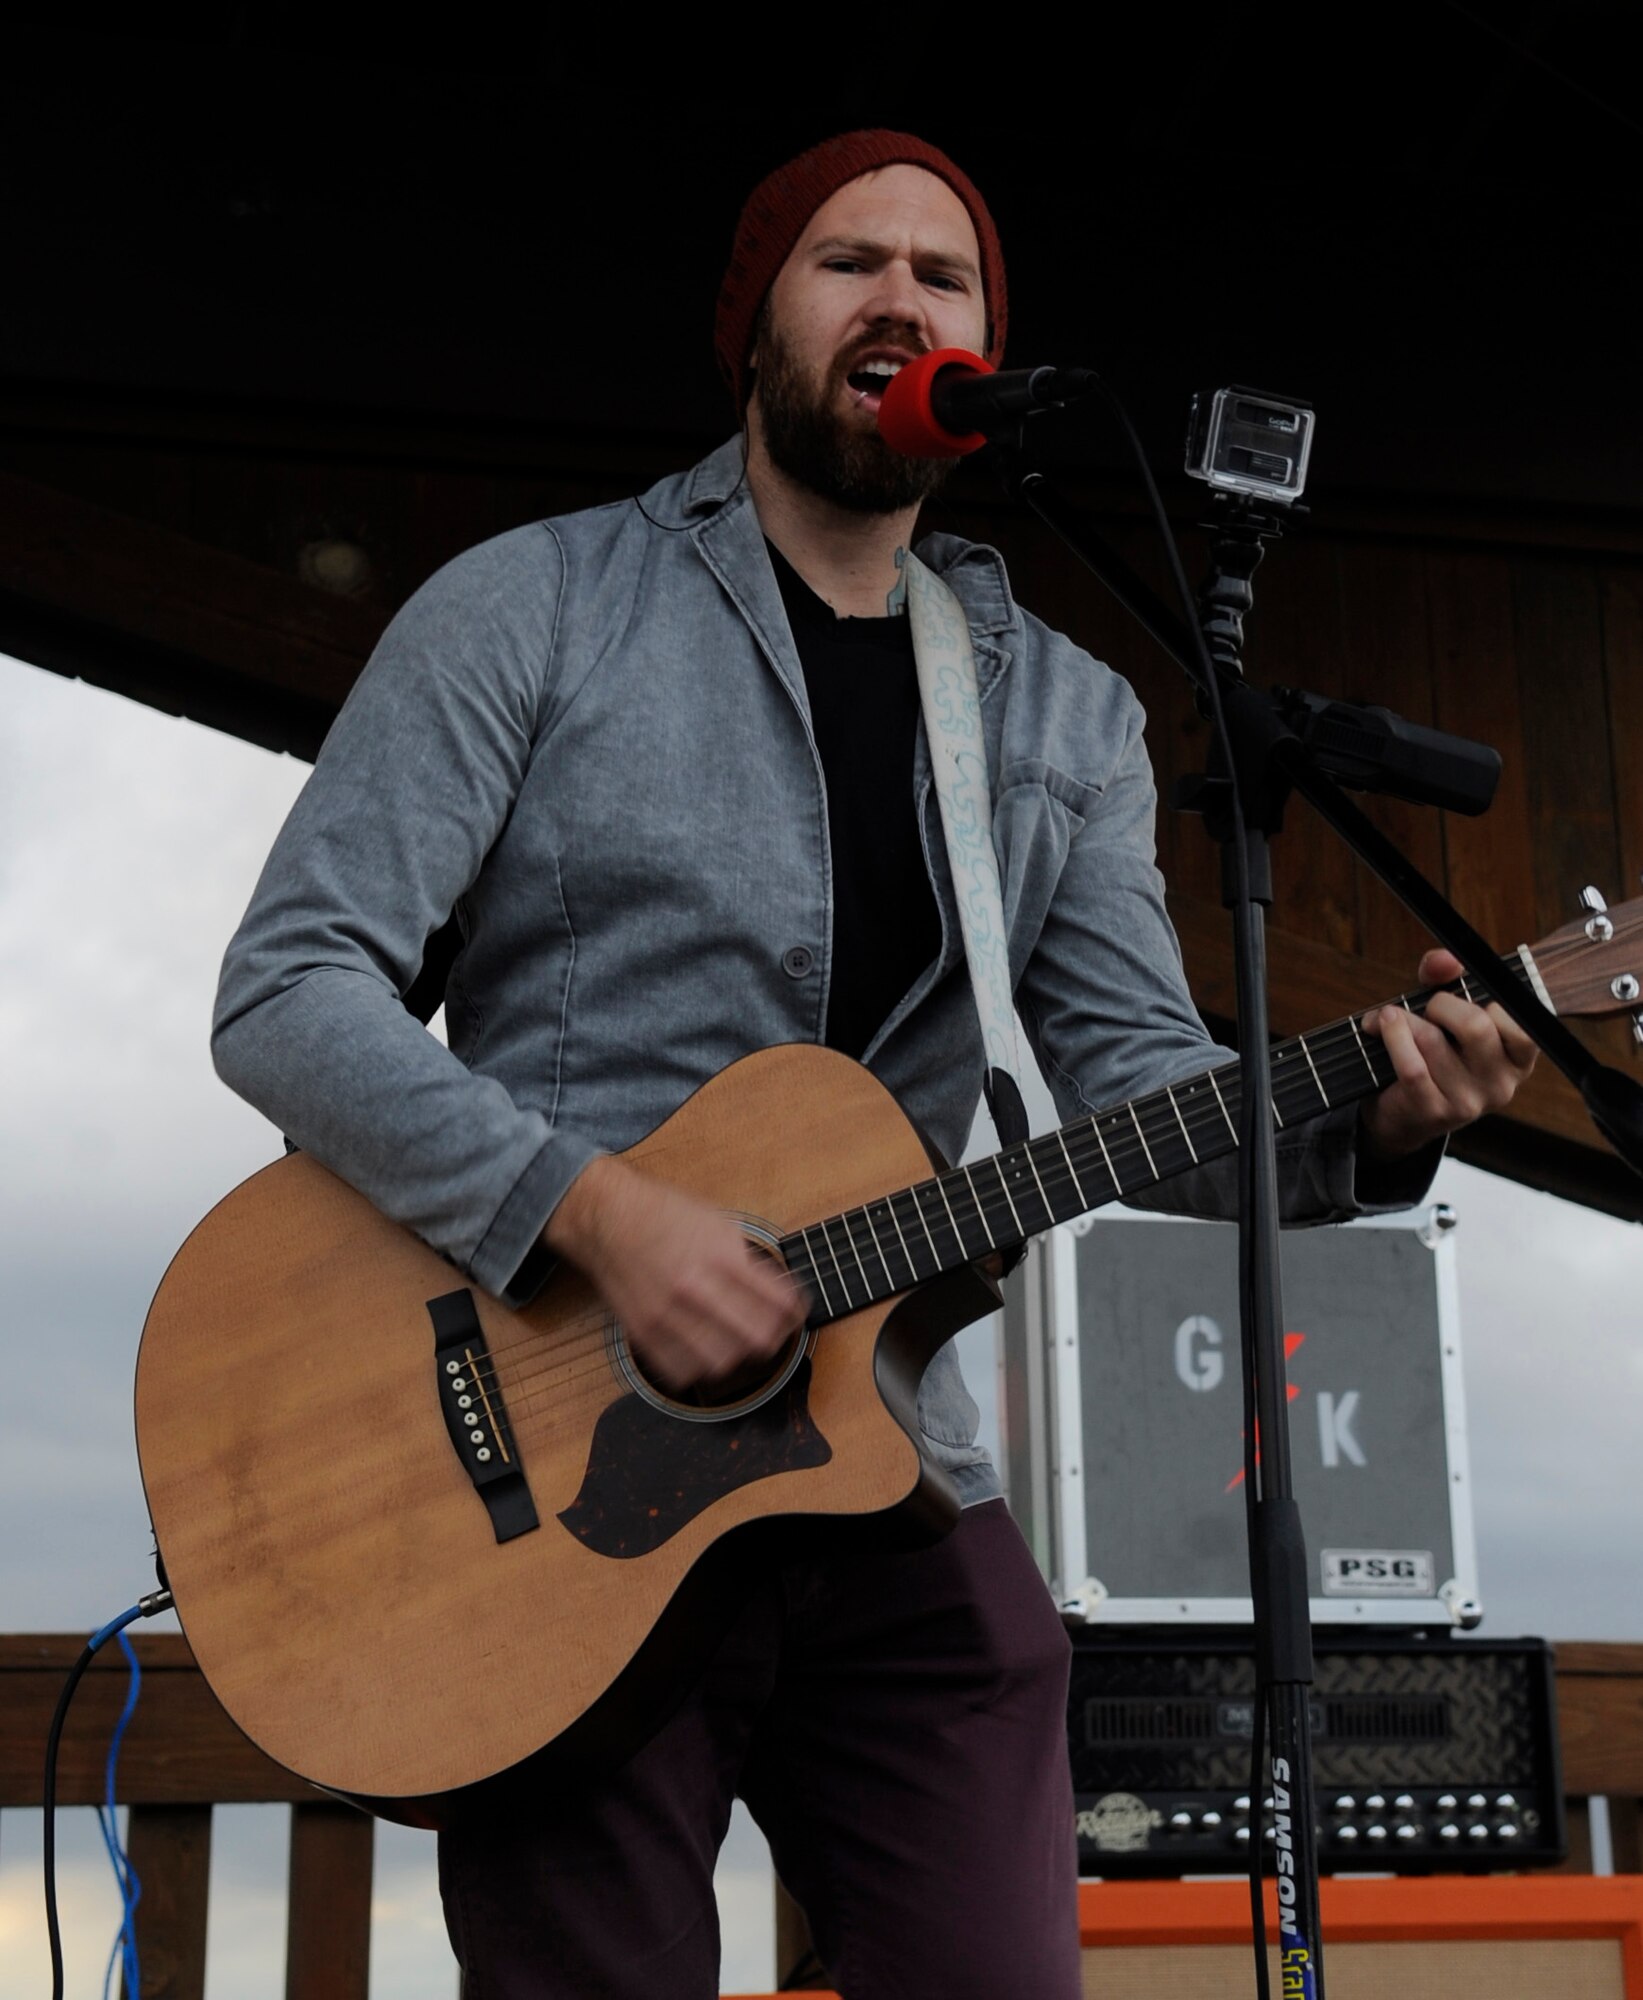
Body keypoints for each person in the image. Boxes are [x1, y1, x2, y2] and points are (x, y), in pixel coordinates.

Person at [213, 130, 1536, 1999]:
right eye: (851, 263)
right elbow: (286, 988)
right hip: (543, 1492)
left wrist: (1380, 1123)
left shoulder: (1061, 708)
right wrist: (596, 1217)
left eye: (948, 277)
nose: (903, 300)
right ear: (757, 328)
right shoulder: (535, 608)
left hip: (882, 1460)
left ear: (985, 357)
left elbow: (1146, 1083)